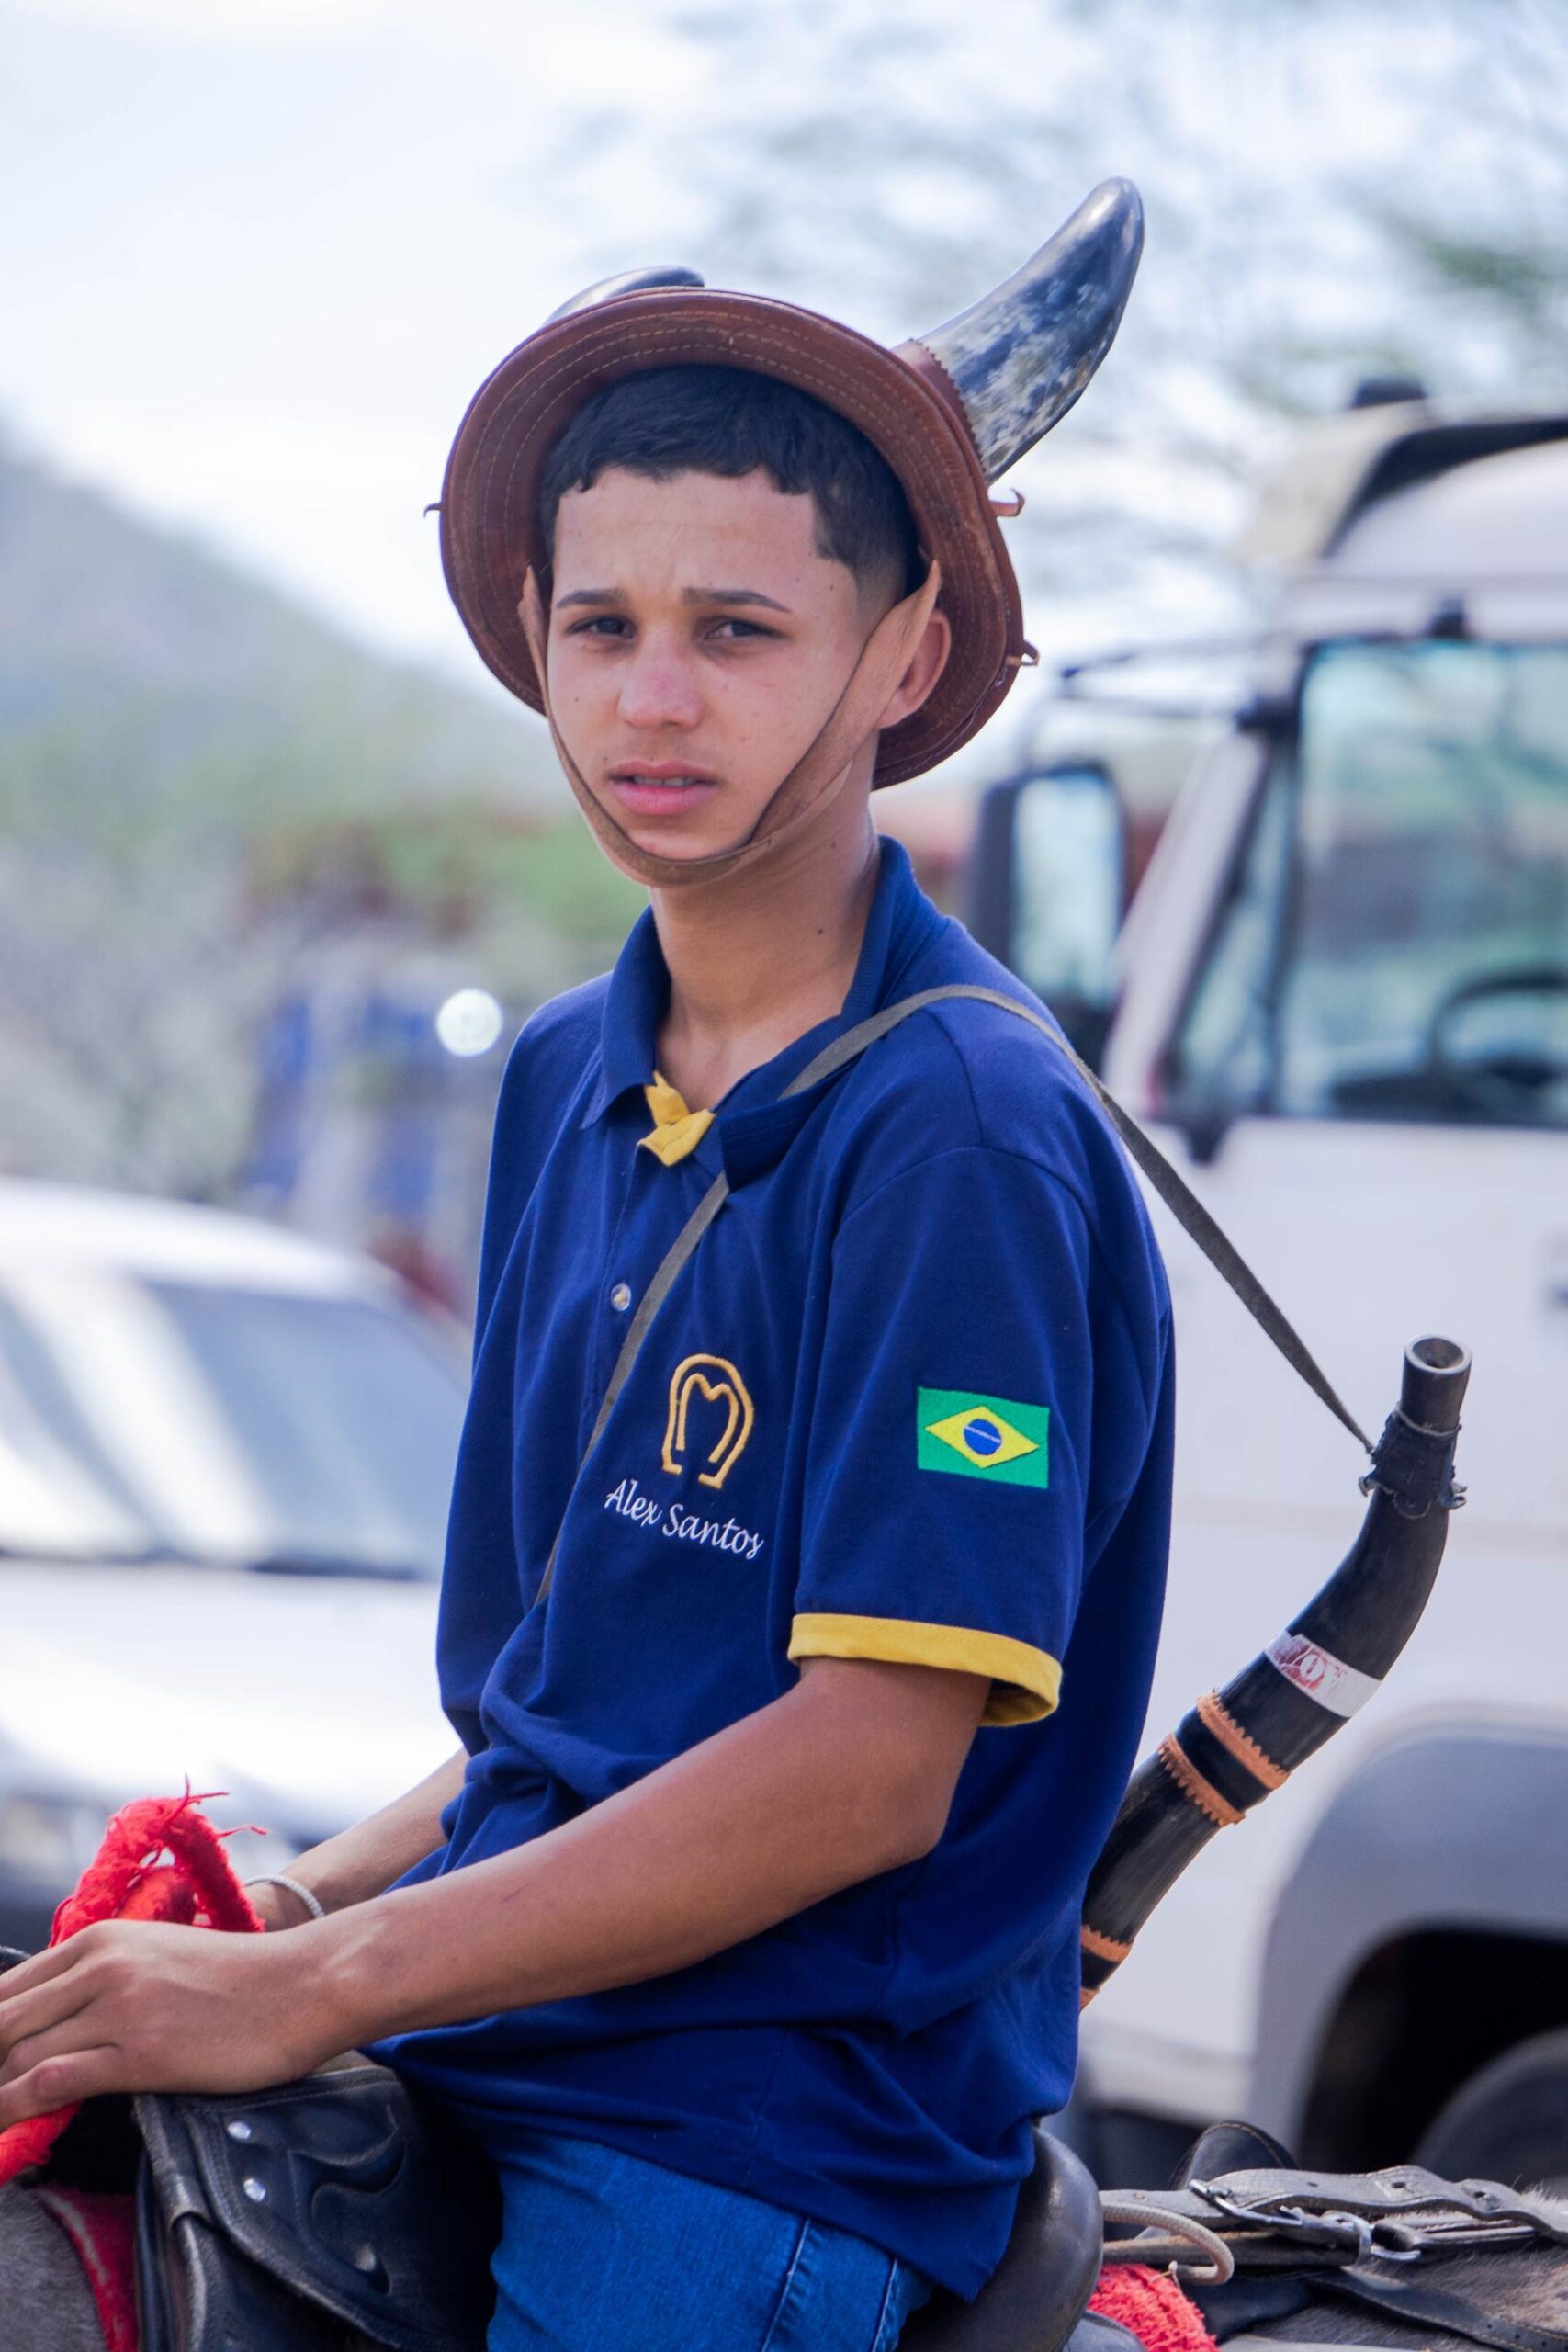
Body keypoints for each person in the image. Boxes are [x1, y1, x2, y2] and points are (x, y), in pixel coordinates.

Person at [0, 183, 1174, 2352]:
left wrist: (314, 1980)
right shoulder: (566, 1070)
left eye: (737, 629)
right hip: (491, 2010)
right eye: (600, 624)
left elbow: (862, 1764)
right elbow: (577, 1694)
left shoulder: (960, 1126)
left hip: (756, 2123)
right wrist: (291, 1895)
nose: (652, 698)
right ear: (531, 634)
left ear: (902, 658)